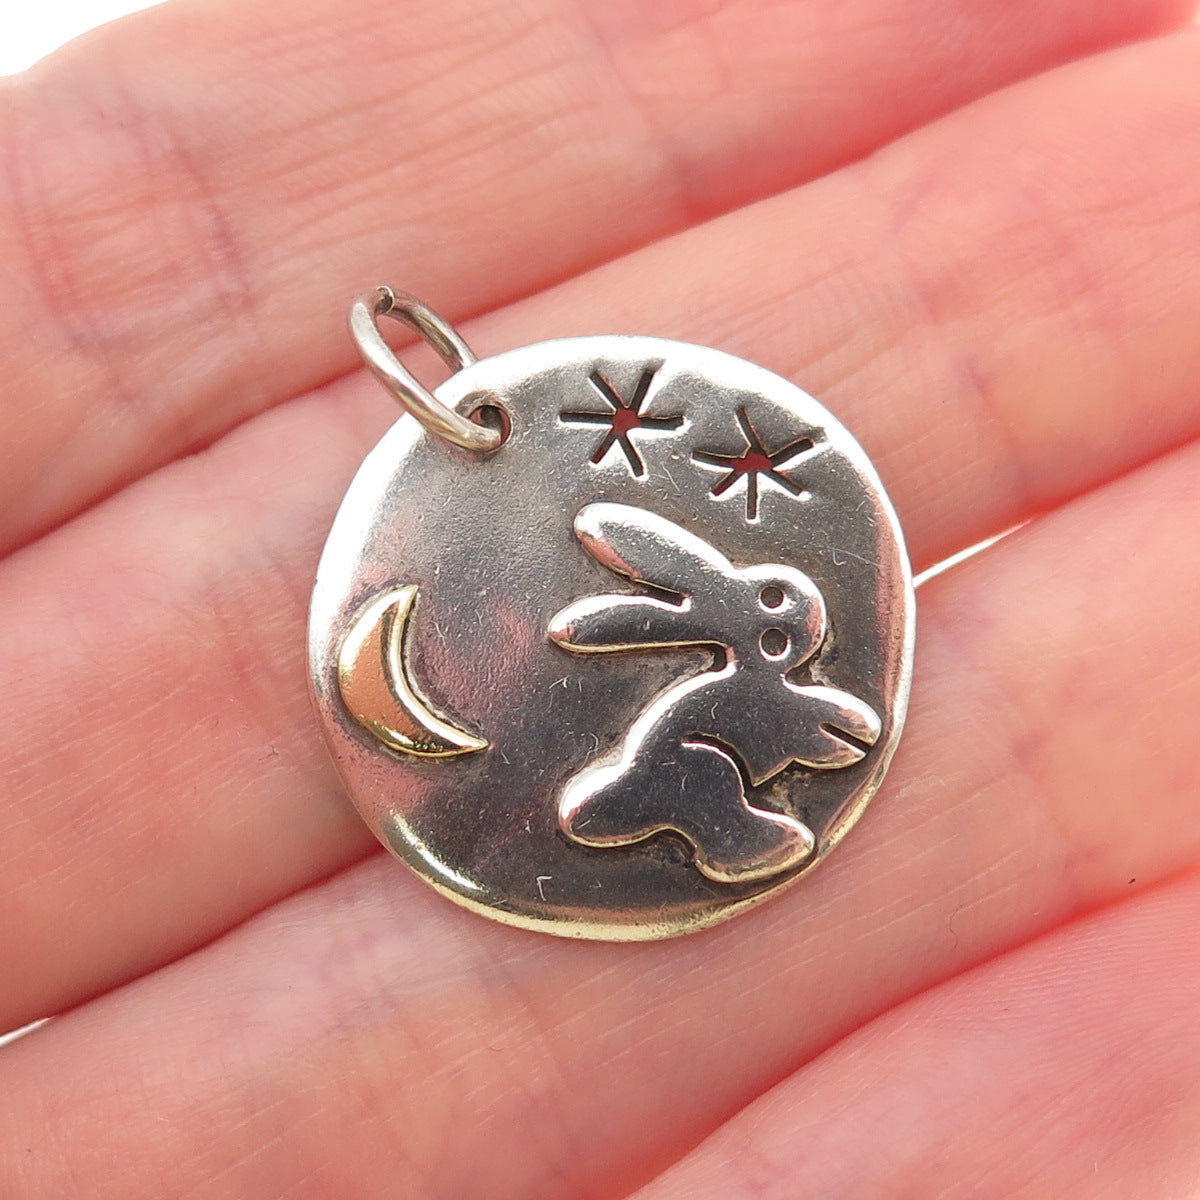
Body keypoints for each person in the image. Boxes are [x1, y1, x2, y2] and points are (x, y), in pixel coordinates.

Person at [1, 0, 1199, 1194]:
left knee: (717, 772)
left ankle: (684, 812)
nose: (798, 630)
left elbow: (811, 716)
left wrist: (823, 717)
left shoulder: (751, 672)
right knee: (705, 786)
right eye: (774, 618)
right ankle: (694, 819)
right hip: (681, 770)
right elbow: (785, 709)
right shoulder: (726, 675)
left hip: (682, 759)